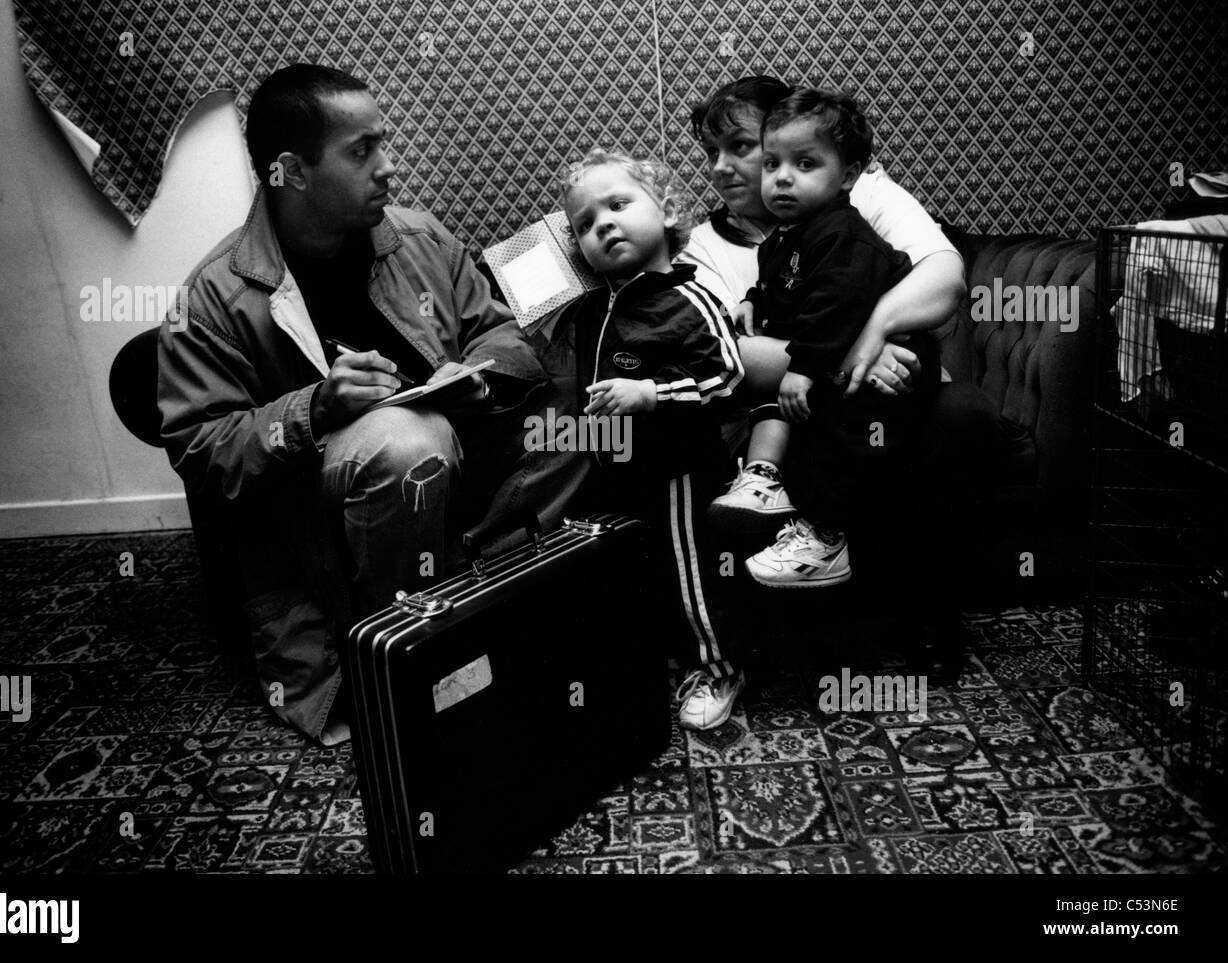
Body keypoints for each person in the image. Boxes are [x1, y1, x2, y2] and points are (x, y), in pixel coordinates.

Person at [157, 64, 576, 745]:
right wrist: (315, 408)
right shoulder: (213, 296)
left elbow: (496, 327)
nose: (387, 167)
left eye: (383, 143)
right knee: (405, 441)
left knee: (590, 401)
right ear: (290, 170)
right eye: (361, 152)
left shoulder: (413, 234)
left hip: (466, 468)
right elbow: (203, 453)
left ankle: (490, 581)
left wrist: (480, 372)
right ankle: (404, 658)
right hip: (336, 525)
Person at [678, 76, 1032, 673]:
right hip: (790, 412)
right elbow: (729, 354)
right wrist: (847, 355)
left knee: (957, 412)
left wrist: (872, 330)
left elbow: (944, 278)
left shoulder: (860, 202)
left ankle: (922, 616)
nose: (721, 167)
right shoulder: (699, 247)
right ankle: (824, 627)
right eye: (714, 153)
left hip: (888, 399)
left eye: (739, 146)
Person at [530, 149, 747, 730]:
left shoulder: (690, 297)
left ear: (668, 210)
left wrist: (652, 394)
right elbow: (525, 282)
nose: (603, 224)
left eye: (619, 205)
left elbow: (726, 376)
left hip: (678, 469)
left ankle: (719, 668)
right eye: (585, 224)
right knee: (640, 568)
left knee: (688, 570)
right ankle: (661, 657)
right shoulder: (593, 303)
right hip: (616, 467)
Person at [719, 87, 940, 588]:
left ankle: (827, 536)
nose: (782, 178)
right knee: (780, 404)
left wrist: (802, 368)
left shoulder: (841, 231)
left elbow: (834, 304)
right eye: (772, 164)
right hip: (841, 352)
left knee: (837, 427)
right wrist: (753, 299)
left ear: (846, 175)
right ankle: (768, 482)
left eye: (804, 163)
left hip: (899, 359)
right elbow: (780, 287)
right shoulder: (786, 234)